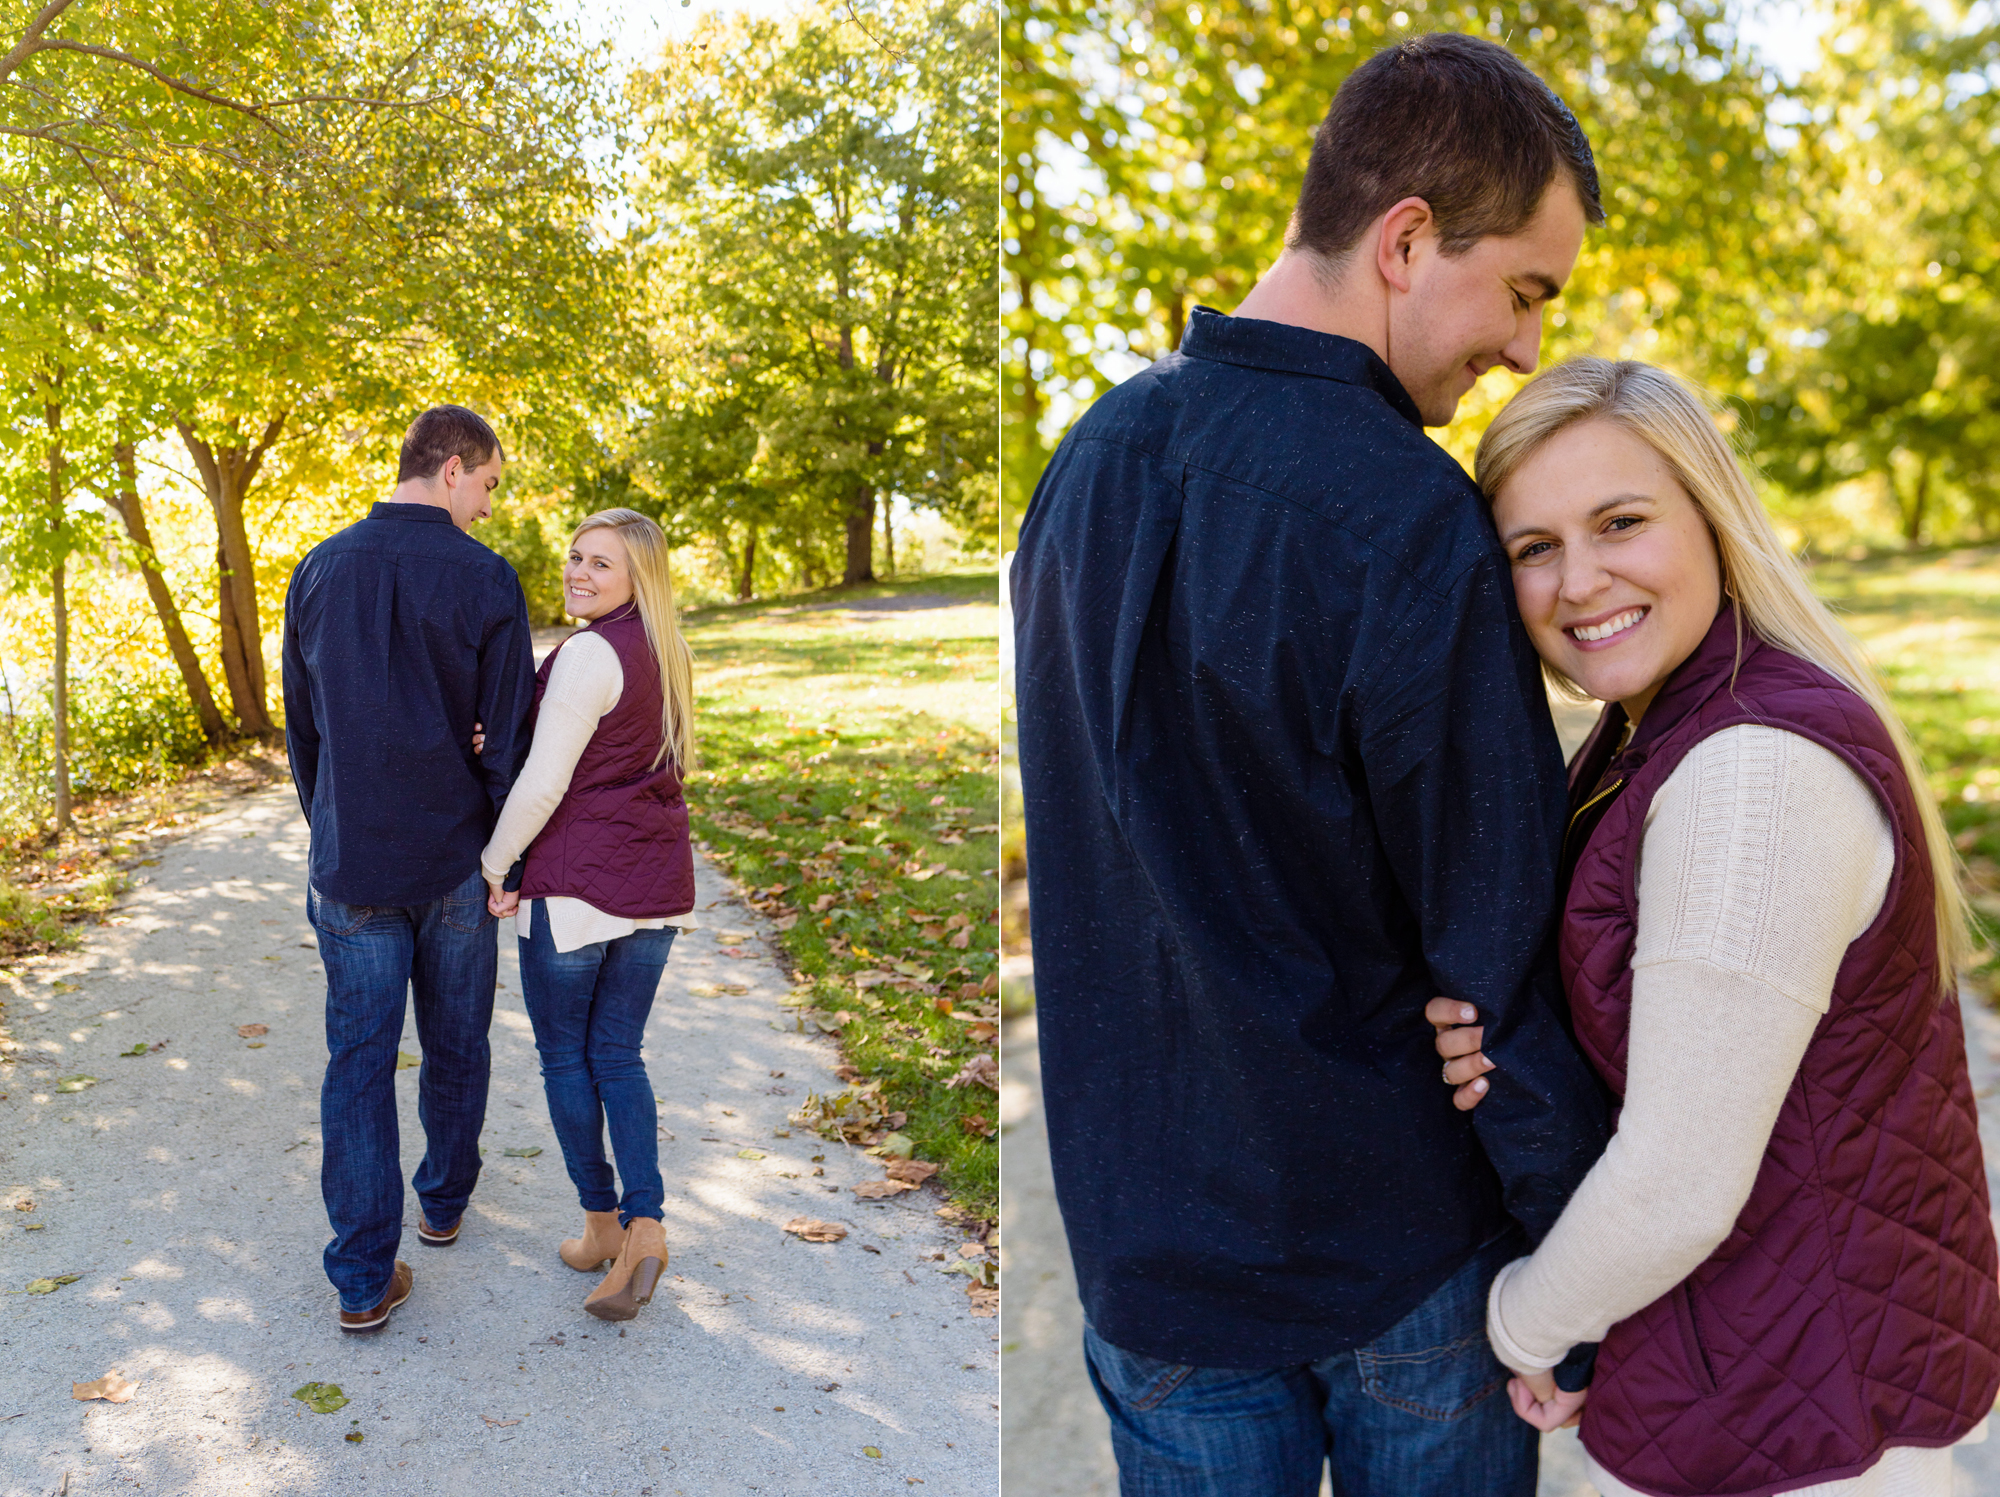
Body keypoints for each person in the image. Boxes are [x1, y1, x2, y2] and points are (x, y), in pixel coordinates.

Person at [1012, 32, 1614, 1496]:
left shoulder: (1083, 461)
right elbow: (1500, 947)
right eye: (1525, 290)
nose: (1528, 346)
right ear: (1408, 240)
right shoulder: (1406, 514)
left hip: (1148, 1253)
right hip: (1396, 1262)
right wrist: (1572, 1273)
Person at [1431, 357, 2000, 1496]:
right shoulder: (1662, 725)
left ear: (1710, 515)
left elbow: (1676, 1183)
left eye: (1619, 523)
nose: (1578, 581)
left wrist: (1520, 1324)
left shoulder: (1748, 775)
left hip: (1790, 1421)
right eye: (1532, 548)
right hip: (1752, 1370)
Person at [282, 404, 536, 1333]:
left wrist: (333, 826)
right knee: (458, 1041)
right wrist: (506, 858)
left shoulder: (316, 570)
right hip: (457, 862)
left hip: (353, 868)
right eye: (491, 487)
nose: (489, 508)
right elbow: (506, 741)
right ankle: (441, 1201)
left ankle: (359, 1278)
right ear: (455, 467)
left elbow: (302, 733)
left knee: (357, 1062)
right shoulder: (486, 579)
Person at [477, 507, 697, 1322]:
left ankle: (609, 1219)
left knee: (568, 1059)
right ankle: (634, 1228)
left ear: (638, 576)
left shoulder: (589, 653)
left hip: (575, 887)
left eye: (601, 563)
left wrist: (497, 865)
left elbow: (543, 785)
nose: (578, 571)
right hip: (656, 885)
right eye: (575, 556)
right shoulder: (665, 649)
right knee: (621, 1053)